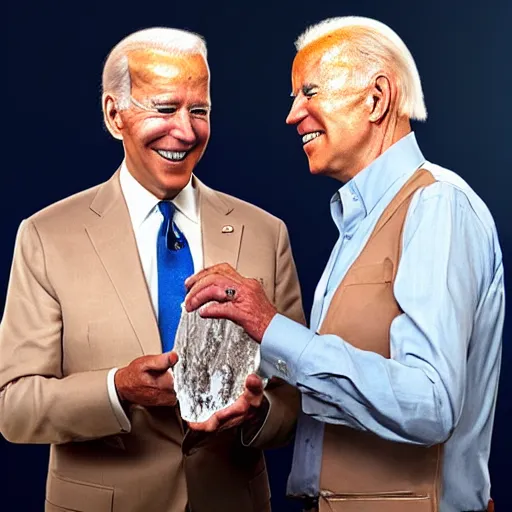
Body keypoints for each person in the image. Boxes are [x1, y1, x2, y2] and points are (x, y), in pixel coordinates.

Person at [185, 16, 503, 512]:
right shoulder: (358, 222)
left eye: (309, 92)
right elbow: (342, 383)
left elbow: (431, 404)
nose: (293, 115)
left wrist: (270, 326)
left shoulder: (438, 206)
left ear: (377, 98)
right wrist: (258, 402)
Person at [0, 27, 304, 512]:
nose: (184, 131)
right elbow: (14, 407)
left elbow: (296, 393)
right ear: (113, 114)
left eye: (198, 110)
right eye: (164, 109)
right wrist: (118, 389)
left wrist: (258, 411)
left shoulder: (266, 233)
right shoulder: (45, 236)